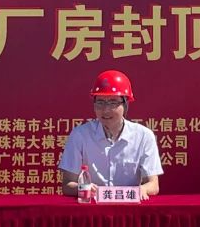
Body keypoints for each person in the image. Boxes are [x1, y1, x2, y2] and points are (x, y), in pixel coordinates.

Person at [59, 69, 161, 199]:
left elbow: (153, 184)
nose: (106, 110)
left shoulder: (143, 136)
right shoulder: (80, 135)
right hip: (92, 207)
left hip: (130, 207)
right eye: (100, 102)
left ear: (125, 104)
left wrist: (143, 189)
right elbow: (68, 185)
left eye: (113, 102)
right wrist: (84, 188)